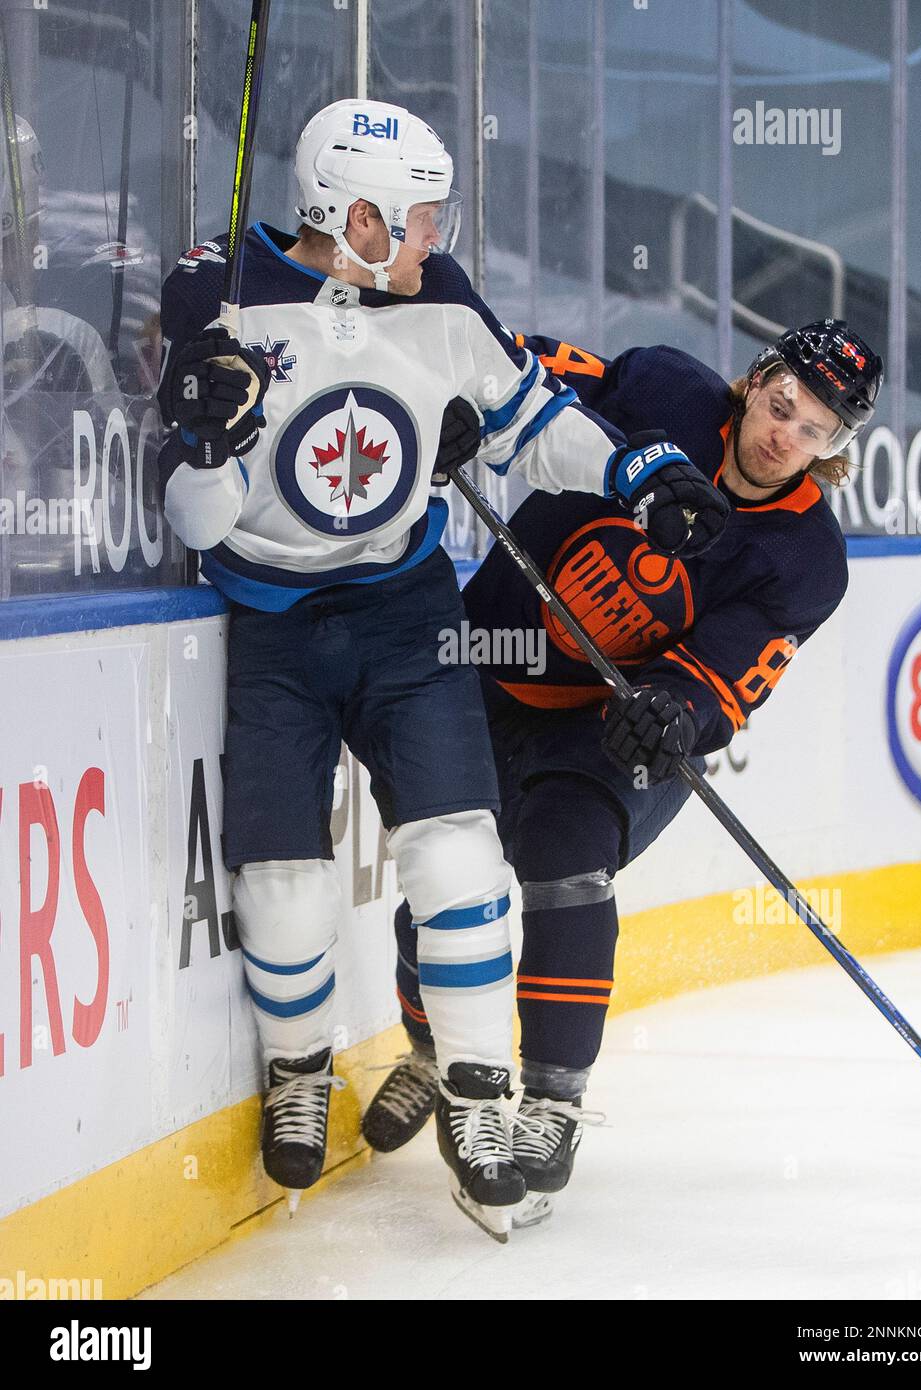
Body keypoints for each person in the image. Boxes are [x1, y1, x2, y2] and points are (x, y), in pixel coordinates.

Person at [155, 98, 726, 1236]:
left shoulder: (443, 298)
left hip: (406, 611)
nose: (434, 239)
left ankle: (477, 1090)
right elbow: (197, 518)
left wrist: (639, 477)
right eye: (417, 219)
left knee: (459, 857)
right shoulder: (215, 293)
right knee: (279, 887)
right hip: (270, 624)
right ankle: (300, 1068)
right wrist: (211, 437)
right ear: (352, 215)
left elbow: (530, 419)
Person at [362, 319, 883, 1219]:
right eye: (783, 405)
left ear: (835, 449)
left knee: (568, 863)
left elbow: (734, 668)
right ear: (756, 381)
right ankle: (428, 1048)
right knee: (450, 879)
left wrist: (680, 703)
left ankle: (554, 1101)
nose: (782, 436)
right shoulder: (660, 390)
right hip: (493, 655)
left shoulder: (806, 559)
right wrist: (459, 412)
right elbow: (514, 371)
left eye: (813, 432)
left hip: (616, 722)